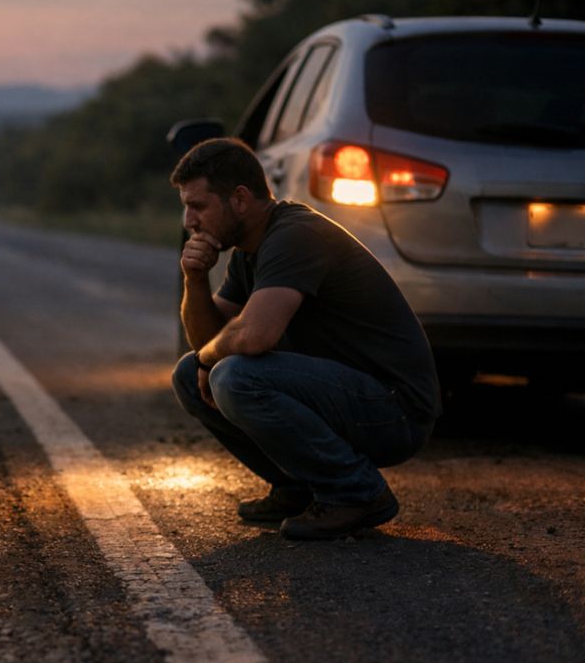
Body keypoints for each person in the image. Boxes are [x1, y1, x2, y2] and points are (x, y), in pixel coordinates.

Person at [170, 138, 441, 540]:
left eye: (198, 206)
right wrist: (195, 280)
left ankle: (355, 492)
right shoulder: (249, 251)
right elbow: (207, 341)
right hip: (350, 396)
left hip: (395, 409)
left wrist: (211, 360)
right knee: (189, 373)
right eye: (186, 207)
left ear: (240, 199)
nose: (188, 221)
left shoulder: (294, 235)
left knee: (234, 377)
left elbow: (255, 336)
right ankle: (299, 487)